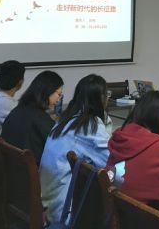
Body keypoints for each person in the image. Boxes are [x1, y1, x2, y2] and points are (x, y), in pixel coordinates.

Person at [39, 74, 112, 224]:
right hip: (64, 208)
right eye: (107, 95)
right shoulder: (89, 124)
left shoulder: (66, 118)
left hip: (47, 199)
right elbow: (110, 161)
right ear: (101, 98)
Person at [1, 70, 64, 166]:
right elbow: (60, 146)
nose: (59, 99)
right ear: (48, 91)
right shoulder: (40, 119)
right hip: (31, 171)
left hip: (11, 168)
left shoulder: (18, 110)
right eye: (59, 94)